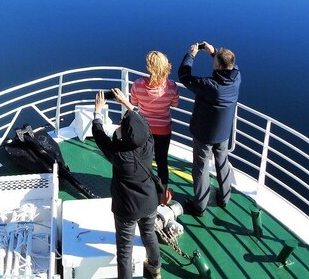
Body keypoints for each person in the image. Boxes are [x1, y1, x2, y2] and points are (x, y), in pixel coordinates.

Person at [92, 89, 162, 279]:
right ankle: (155, 268)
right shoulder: (148, 143)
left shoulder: (118, 154)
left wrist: (98, 112)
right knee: (149, 235)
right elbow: (143, 123)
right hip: (149, 202)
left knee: (124, 250)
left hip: (127, 208)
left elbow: (99, 135)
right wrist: (126, 103)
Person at [178, 41, 240, 217]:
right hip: (223, 133)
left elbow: (184, 76)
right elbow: (231, 66)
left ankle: (200, 206)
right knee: (222, 163)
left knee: (201, 168)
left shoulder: (210, 85)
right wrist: (214, 53)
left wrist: (191, 55)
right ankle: (224, 198)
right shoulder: (237, 79)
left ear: (218, 66)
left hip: (204, 134)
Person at [130, 51, 180, 200]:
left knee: (142, 160)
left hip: (144, 129)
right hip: (164, 130)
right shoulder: (171, 86)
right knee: (162, 161)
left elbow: (133, 102)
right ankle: (163, 194)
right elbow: (175, 104)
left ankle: (141, 191)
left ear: (149, 67)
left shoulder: (138, 84)